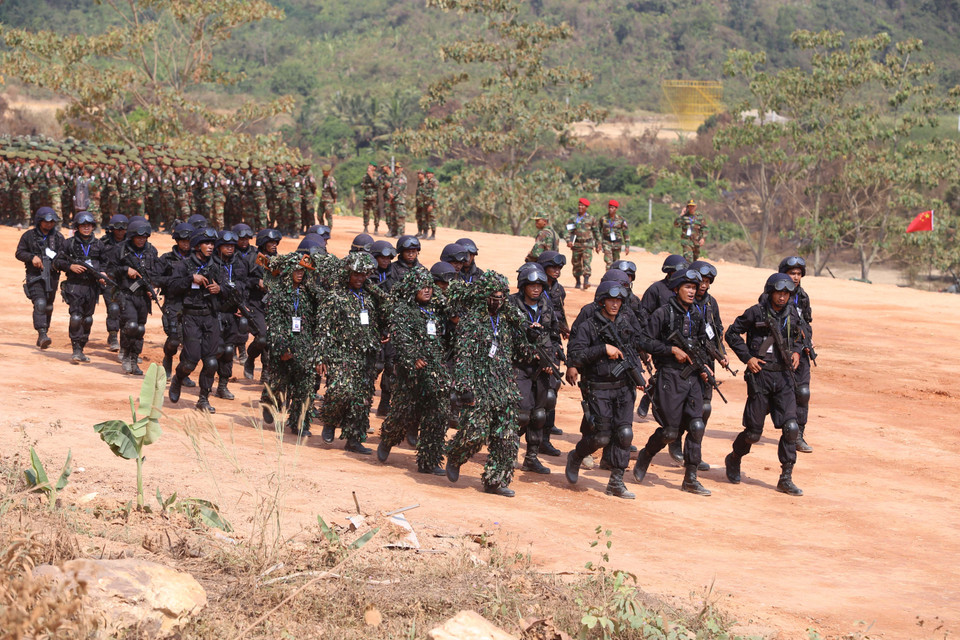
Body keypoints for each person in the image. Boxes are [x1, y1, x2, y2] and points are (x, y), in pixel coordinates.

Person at [445, 271, 533, 497]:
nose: (499, 301)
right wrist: (464, 387)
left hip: (503, 385)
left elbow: (521, 349)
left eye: (503, 297)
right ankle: (456, 455)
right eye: (494, 297)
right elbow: (463, 355)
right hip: (478, 384)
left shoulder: (507, 319)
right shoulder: (471, 320)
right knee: (476, 433)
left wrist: (530, 339)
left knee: (506, 437)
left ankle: (495, 481)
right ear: (484, 296)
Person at [632, 268, 713, 496]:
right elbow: (643, 340)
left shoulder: (697, 315)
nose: (691, 291)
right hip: (670, 376)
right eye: (687, 287)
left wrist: (705, 366)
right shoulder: (662, 313)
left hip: (693, 376)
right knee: (669, 431)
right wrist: (670, 349)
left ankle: (690, 477)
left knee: (696, 426)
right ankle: (647, 454)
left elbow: (702, 345)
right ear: (676, 289)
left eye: (694, 288)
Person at [724, 273, 804, 496]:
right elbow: (731, 333)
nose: (783, 297)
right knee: (753, 433)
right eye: (779, 293)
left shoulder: (793, 314)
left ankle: (785, 477)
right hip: (761, 377)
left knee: (791, 428)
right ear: (770, 292)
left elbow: (800, 337)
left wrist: (797, 351)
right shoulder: (756, 312)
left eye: (787, 294)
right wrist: (747, 358)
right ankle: (734, 458)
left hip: (785, 378)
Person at [563, 281, 641, 499]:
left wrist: (639, 374)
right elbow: (576, 355)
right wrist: (602, 349)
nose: (614, 304)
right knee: (601, 437)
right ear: (601, 301)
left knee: (624, 434)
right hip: (598, 387)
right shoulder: (589, 326)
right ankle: (576, 456)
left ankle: (616, 482)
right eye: (610, 300)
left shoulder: (626, 323)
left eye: (618, 301)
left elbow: (636, 348)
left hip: (623, 387)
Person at [378, 267, 452, 474]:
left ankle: (429, 461)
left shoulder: (437, 309)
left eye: (429, 286)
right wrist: (412, 358)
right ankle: (387, 440)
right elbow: (400, 338)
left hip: (435, 370)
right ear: (412, 288)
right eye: (422, 287)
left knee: (438, 414)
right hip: (410, 372)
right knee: (402, 414)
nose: (427, 290)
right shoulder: (403, 310)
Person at [317, 252, 387, 453]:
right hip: (342, 353)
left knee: (362, 399)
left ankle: (354, 438)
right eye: (356, 274)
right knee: (340, 391)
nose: (360, 278)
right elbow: (324, 328)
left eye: (364, 275)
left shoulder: (370, 297)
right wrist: (321, 355)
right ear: (347, 274)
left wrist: (373, 289)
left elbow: (387, 311)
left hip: (366, 356)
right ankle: (330, 421)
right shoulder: (335, 297)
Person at [261, 253, 322, 436]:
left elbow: (322, 306)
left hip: (305, 344)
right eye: (296, 270)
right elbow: (275, 324)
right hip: (284, 344)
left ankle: (299, 423)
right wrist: (282, 348)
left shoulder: (308, 293)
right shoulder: (277, 294)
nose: (300, 274)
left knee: (305, 386)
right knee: (280, 383)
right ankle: (269, 401)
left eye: (303, 271)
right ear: (287, 271)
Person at [511, 264, 563, 475]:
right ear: (523, 286)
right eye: (531, 285)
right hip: (519, 365)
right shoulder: (511, 304)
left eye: (539, 285)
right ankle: (509, 450)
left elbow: (553, 335)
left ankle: (531, 457)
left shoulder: (546, 306)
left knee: (540, 413)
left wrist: (552, 360)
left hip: (542, 366)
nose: (536, 289)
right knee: (521, 413)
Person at [167, 228, 223, 412]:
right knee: (190, 360)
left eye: (212, 244)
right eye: (207, 243)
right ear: (197, 245)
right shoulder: (184, 265)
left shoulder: (216, 266)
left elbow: (232, 288)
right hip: (191, 316)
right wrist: (191, 278)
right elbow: (171, 286)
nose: (210, 247)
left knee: (211, 362)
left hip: (210, 317)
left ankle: (203, 399)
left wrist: (220, 289)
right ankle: (178, 378)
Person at [53, 211, 108, 363]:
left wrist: (103, 274)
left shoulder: (99, 244)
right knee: (76, 317)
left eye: (88, 225)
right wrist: (70, 266)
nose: (86, 228)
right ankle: (76, 349)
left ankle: (82, 347)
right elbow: (56, 262)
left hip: (92, 286)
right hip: (74, 285)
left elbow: (105, 263)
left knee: (88, 319)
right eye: (82, 225)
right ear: (77, 227)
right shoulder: (68, 243)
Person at [112, 220, 163, 376]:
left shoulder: (151, 251)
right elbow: (110, 269)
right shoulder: (121, 250)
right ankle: (126, 355)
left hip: (143, 296)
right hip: (127, 294)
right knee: (131, 325)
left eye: (145, 237)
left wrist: (153, 286)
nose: (142, 240)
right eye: (139, 237)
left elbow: (156, 271)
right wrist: (126, 269)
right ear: (132, 236)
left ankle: (135, 359)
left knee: (140, 329)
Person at [779, 256, 815, 453]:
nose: (795, 277)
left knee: (802, 393)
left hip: (799, 351)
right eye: (792, 273)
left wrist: (807, 341)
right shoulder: (773, 294)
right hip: (778, 352)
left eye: (798, 274)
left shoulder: (802, 296)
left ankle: (798, 433)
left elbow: (807, 323)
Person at [16, 206, 65, 349]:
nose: (49, 224)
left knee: (48, 306)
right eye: (46, 221)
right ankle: (42, 333)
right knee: (40, 304)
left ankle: (44, 332)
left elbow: (64, 256)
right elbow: (19, 253)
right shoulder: (28, 236)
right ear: (39, 221)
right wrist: (32, 257)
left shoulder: (58, 237)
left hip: (52, 277)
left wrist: (58, 263)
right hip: (35, 276)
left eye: (52, 222)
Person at [212, 229, 249, 401]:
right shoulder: (211, 263)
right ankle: (206, 384)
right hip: (214, 313)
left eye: (232, 246)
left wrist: (242, 304)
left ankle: (223, 386)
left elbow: (243, 285)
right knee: (215, 351)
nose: (230, 249)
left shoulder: (239, 263)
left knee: (228, 351)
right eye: (226, 246)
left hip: (232, 312)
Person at [243, 228, 282, 380]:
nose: (274, 245)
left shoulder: (279, 260)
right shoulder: (251, 259)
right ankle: (251, 358)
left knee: (273, 338)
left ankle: (266, 370)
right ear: (263, 243)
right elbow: (241, 280)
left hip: (272, 303)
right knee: (262, 337)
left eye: (275, 242)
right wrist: (255, 282)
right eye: (270, 242)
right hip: (255, 303)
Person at [159, 223, 195, 380]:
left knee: (189, 340)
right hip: (173, 303)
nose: (186, 244)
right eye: (182, 241)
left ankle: (183, 373)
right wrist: (173, 282)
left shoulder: (199, 259)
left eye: (189, 240)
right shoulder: (166, 259)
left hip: (193, 303)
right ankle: (168, 358)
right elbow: (156, 277)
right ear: (177, 241)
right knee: (174, 339)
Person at [100, 213, 128, 352]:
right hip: (110, 280)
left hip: (127, 282)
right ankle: (113, 336)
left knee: (125, 310)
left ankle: (123, 338)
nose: (121, 231)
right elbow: (96, 259)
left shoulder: (131, 243)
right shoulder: (103, 243)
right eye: (118, 229)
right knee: (113, 309)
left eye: (123, 228)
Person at [565, 198, 597, 289]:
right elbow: (567, 231)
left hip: (587, 245)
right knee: (576, 264)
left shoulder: (591, 219)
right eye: (579, 205)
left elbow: (596, 232)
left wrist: (598, 243)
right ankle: (578, 281)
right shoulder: (573, 218)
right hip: (576, 245)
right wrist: (568, 241)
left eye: (582, 205)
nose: (580, 207)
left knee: (587, 262)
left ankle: (586, 281)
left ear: (586, 207)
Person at [598, 200, 630, 270]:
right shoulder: (603, 218)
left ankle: (615, 278)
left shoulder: (621, 219)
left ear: (616, 209)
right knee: (609, 262)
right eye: (609, 207)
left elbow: (625, 233)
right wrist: (598, 243)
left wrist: (627, 246)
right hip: (606, 242)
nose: (610, 209)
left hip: (617, 243)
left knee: (616, 263)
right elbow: (598, 231)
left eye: (612, 208)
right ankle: (608, 278)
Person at [388, 162, 408, 237]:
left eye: (398, 168)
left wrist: (391, 195)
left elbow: (397, 189)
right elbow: (390, 187)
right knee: (393, 217)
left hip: (399, 201)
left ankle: (401, 233)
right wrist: (389, 193)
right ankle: (394, 232)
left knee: (400, 217)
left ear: (402, 169)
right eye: (396, 168)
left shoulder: (402, 178)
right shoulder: (394, 178)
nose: (397, 169)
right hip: (393, 200)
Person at [360, 163, 379, 233]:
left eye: (371, 166)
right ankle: (365, 227)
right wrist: (368, 185)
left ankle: (376, 227)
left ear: (374, 168)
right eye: (369, 165)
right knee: (365, 212)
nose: (369, 167)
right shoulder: (365, 176)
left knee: (376, 213)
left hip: (374, 197)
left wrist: (371, 176)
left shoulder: (377, 175)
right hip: (366, 197)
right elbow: (362, 185)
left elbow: (377, 184)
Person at [320, 164, 337, 228]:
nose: (324, 172)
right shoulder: (323, 178)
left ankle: (328, 230)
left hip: (328, 201)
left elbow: (334, 190)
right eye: (323, 171)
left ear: (329, 171)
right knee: (319, 215)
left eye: (325, 171)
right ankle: (322, 228)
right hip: (322, 199)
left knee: (328, 216)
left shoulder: (331, 180)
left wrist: (334, 198)